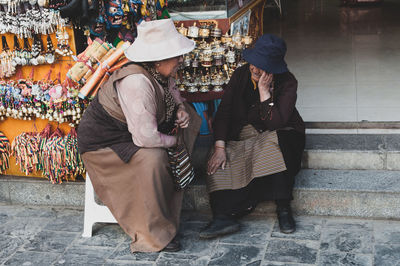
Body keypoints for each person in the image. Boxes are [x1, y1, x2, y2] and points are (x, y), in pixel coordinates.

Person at [77, 19, 201, 252]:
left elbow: (175, 97)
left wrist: (182, 110)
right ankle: (154, 231)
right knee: (153, 159)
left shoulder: (162, 74)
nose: (181, 61)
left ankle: (168, 210)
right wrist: (175, 142)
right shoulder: (136, 81)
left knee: (191, 119)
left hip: (135, 133)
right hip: (105, 145)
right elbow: (146, 140)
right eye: (177, 56)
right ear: (159, 58)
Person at [199, 34, 305, 239]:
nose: (255, 68)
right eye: (253, 63)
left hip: (278, 132)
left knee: (274, 145)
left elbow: (276, 123)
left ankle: (284, 208)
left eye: (262, 65)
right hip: (245, 134)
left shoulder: (288, 82)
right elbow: (224, 113)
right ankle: (223, 216)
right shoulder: (240, 75)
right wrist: (220, 148)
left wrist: (264, 93)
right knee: (219, 161)